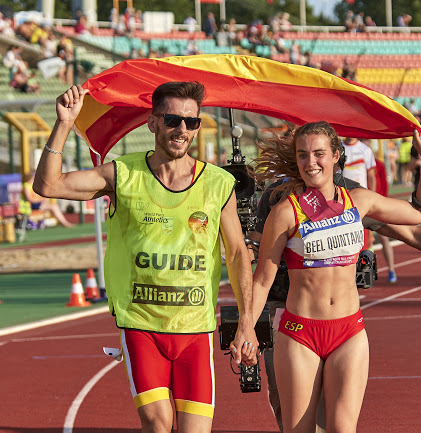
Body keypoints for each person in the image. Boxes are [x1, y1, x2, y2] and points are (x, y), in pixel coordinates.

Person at [33, 82, 257, 433]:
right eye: (172, 120)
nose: (182, 130)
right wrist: (63, 124)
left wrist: (247, 323)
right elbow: (48, 186)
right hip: (142, 326)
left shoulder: (218, 183)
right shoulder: (122, 174)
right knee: (158, 423)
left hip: (194, 329)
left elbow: (237, 253)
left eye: (191, 122)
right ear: (152, 123)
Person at [249, 159, 421, 433]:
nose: (310, 159)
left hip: (342, 322)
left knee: (335, 423)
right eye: (301, 149)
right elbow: (255, 257)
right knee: (293, 419)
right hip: (287, 313)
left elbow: (410, 229)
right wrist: (247, 323)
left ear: (334, 154)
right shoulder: (277, 197)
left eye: (318, 151)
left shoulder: (352, 195)